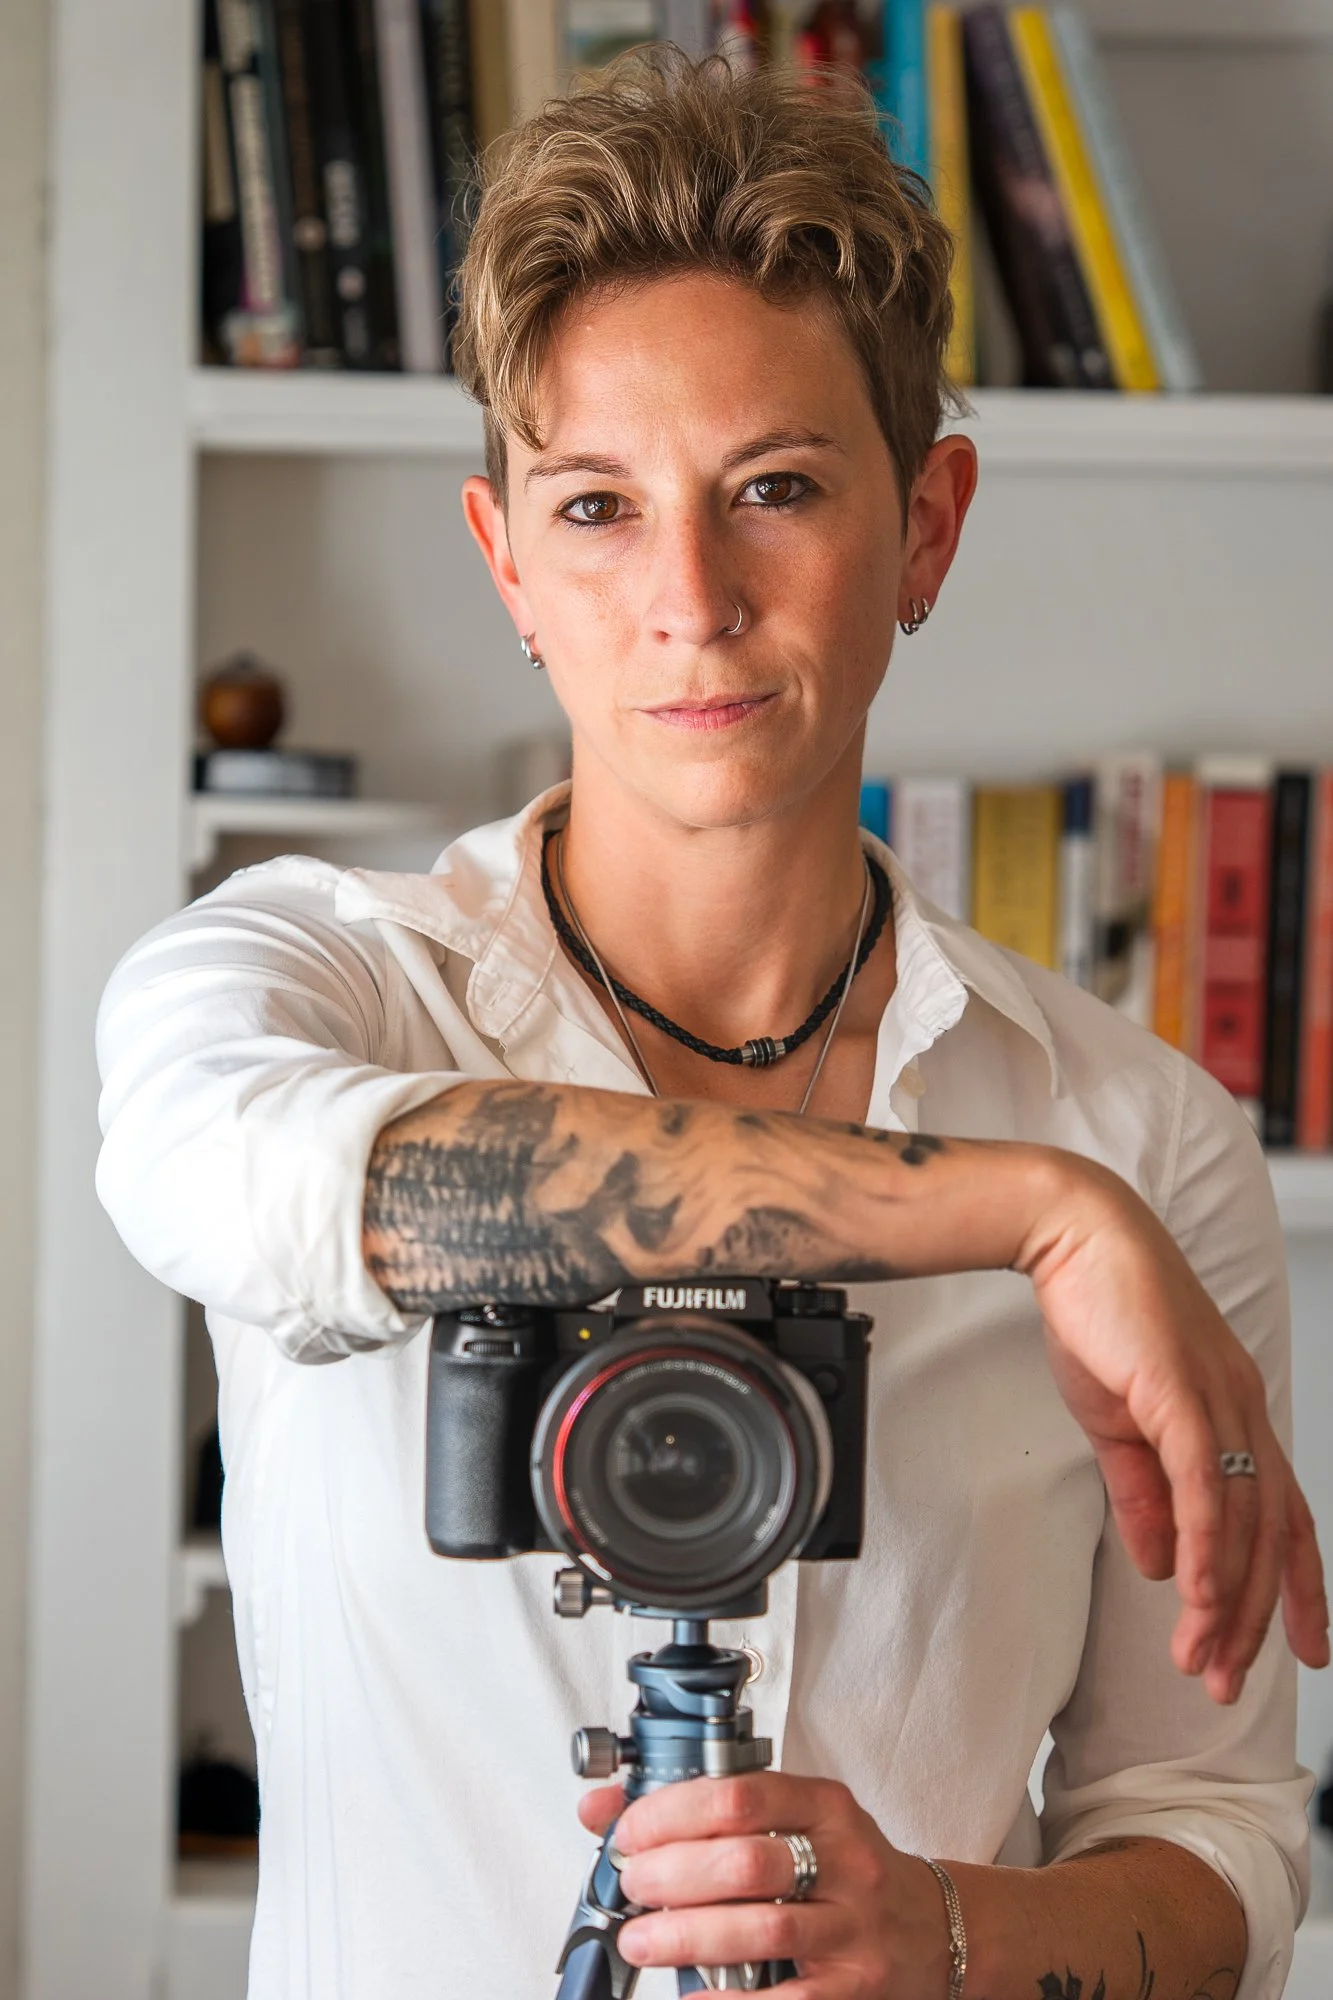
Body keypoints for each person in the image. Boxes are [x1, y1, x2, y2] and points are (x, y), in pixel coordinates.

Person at [97, 47, 1327, 2000]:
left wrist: (952, 1935)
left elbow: (1218, 1820)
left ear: (926, 529)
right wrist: (1020, 1214)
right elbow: (243, 1185)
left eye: (776, 489)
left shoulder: (1145, 1137)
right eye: (597, 505)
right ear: (508, 561)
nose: (689, 596)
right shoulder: (316, 980)